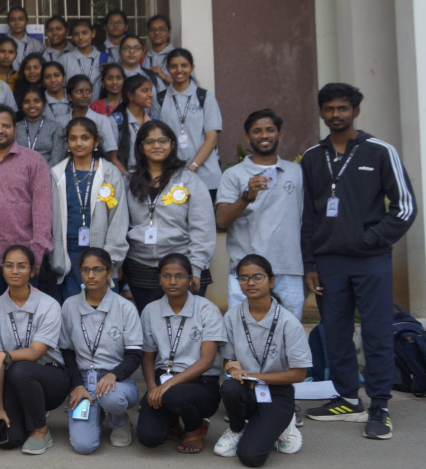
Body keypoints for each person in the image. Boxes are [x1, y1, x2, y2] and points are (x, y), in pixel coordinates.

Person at [301, 83, 415, 437]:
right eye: (329, 109)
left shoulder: (380, 151)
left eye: (343, 108)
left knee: (376, 332)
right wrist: (310, 265)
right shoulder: (312, 157)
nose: (336, 114)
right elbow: (308, 216)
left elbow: (405, 208)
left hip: (371, 261)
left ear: (356, 112)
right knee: (335, 332)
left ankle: (379, 405)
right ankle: (348, 398)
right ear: (321, 112)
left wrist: (368, 239)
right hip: (329, 263)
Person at [214, 255, 310, 464]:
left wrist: (252, 375)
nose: (250, 283)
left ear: (271, 281)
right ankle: (237, 428)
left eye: (258, 277)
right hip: (245, 387)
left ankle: (285, 424)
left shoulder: (288, 322)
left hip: (277, 391)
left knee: (251, 457)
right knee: (230, 388)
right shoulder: (232, 317)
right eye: (244, 278)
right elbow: (228, 361)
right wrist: (232, 369)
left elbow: (299, 374)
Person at [216, 110, 306, 318]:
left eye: (270, 130)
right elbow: (221, 219)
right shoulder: (233, 174)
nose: (264, 135)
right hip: (246, 271)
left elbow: (308, 220)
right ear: (247, 138)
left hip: (289, 267)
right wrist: (246, 197)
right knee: (243, 331)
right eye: (257, 131)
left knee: (289, 332)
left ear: (279, 135)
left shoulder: (296, 172)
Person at [0, 245, 68, 454]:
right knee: (5, 440)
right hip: (13, 381)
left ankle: (41, 429)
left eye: (21, 266)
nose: (15, 271)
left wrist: (4, 355)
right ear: (2, 270)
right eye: (9, 266)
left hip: (50, 379)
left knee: (21, 369)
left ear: (32, 270)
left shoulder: (49, 305)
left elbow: (36, 352)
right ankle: (24, 417)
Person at [137, 253, 226, 454]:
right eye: (166, 276)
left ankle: (196, 427)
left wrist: (167, 386)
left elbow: (207, 360)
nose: (172, 281)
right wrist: (152, 387)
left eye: (179, 276)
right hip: (164, 378)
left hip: (201, 382)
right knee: (149, 437)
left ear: (190, 279)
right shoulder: (150, 310)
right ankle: (172, 420)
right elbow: (148, 356)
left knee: (175, 395)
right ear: (159, 279)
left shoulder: (206, 309)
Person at [122, 120, 216, 309]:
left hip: (183, 266)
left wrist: (195, 268)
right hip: (140, 267)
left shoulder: (189, 180)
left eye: (162, 141)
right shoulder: (128, 181)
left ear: (172, 144)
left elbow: (203, 227)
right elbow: (119, 224)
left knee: (186, 322)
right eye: (149, 142)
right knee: (149, 322)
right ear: (140, 147)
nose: (156, 146)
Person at [59, 248, 143, 454]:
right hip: (83, 380)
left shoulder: (125, 307)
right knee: (84, 446)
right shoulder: (69, 306)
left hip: (116, 381)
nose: (91, 275)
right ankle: (96, 413)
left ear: (109, 273)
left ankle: (119, 420)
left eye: (97, 269)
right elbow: (67, 352)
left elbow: (134, 354)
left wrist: (114, 375)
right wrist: (78, 385)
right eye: (85, 270)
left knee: (112, 398)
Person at [0, 106, 52, 303]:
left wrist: (36, 253)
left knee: (25, 312)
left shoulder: (34, 161)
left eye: (5, 125)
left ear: (15, 128)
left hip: (23, 257)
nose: (0, 130)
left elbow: (43, 210)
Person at [49, 118, 129, 301]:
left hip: (102, 254)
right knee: (71, 310)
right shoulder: (57, 174)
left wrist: (110, 259)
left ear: (96, 141)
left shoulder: (109, 172)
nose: (78, 143)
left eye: (85, 138)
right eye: (73, 138)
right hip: (68, 256)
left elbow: (118, 218)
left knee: (101, 309)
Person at [157, 49, 223, 198]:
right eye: (174, 66)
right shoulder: (160, 99)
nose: (179, 70)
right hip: (171, 175)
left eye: (184, 65)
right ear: (167, 69)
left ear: (192, 68)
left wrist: (192, 167)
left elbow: (212, 140)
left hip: (206, 174)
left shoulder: (205, 96)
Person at [67, 74, 122, 172]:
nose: (85, 95)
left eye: (88, 91)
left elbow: (110, 152)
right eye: (79, 92)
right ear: (69, 96)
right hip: (67, 167)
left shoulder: (102, 120)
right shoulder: (61, 121)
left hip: (97, 168)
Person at [15, 86, 67, 166]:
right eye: (27, 102)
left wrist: (42, 173)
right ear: (22, 105)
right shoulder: (15, 127)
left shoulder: (55, 127)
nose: (32, 105)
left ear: (44, 104)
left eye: (37, 101)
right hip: (19, 171)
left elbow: (56, 158)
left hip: (48, 171)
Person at [115, 73, 156, 171]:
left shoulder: (155, 121)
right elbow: (112, 157)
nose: (151, 95)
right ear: (130, 95)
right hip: (125, 176)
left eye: (150, 90)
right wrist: (126, 176)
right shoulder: (116, 120)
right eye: (145, 91)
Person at [59, 19, 103, 93]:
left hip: (98, 100)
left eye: (84, 33)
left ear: (93, 33)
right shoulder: (64, 59)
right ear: (72, 37)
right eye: (76, 34)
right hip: (71, 100)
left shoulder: (104, 58)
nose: (81, 37)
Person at [144, 14, 175, 85]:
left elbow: (187, 86)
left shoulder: (178, 56)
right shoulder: (143, 56)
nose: (156, 33)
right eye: (152, 30)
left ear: (169, 33)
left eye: (161, 29)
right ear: (148, 33)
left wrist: (164, 76)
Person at [42, 61, 71, 125]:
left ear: (64, 78)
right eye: (47, 77)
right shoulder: (40, 100)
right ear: (43, 81)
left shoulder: (74, 97)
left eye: (57, 75)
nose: (53, 80)